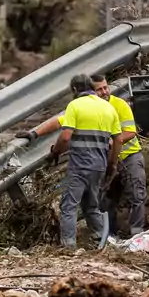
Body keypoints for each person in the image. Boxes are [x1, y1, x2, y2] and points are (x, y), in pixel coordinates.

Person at [47, 74, 121, 248]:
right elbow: (118, 140)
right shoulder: (108, 108)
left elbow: (65, 137)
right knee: (92, 206)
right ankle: (103, 242)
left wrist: (55, 152)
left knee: (69, 206)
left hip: (79, 166)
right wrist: (112, 164)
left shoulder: (75, 105)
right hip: (99, 166)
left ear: (74, 90)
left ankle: (69, 247)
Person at [91, 74, 147, 237]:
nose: (104, 92)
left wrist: (112, 142)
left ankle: (137, 233)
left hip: (129, 156)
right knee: (104, 199)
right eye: (99, 89)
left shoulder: (120, 105)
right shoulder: (91, 109)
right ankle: (109, 235)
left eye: (105, 87)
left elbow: (131, 131)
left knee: (137, 194)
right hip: (105, 160)